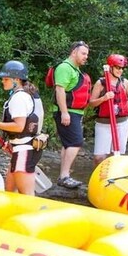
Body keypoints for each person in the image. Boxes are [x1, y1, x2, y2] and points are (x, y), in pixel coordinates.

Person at [0, 60, 43, 195]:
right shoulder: (22, 94)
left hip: (25, 150)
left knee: (26, 195)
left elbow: (19, 127)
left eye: (6, 79)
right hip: (20, 147)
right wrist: (11, 141)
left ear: (17, 80)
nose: (3, 81)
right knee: (9, 190)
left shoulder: (19, 97)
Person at [51, 41, 91, 188]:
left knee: (68, 144)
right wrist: (64, 113)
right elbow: (60, 90)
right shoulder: (64, 68)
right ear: (74, 52)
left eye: (87, 54)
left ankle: (64, 175)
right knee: (76, 142)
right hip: (68, 112)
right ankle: (64, 176)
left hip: (75, 112)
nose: (85, 57)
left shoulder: (76, 70)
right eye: (83, 53)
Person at [89, 53, 128, 166]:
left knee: (117, 156)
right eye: (118, 68)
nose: (120, 71)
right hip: (104, 123)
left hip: (122, 123)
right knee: (99, 158)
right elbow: (91, 103)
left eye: (122, 68)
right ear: (110, 67)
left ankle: (114, 178)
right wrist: (104, 98)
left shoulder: (124, 82)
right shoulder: (101, 83)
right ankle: (99, 178)